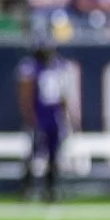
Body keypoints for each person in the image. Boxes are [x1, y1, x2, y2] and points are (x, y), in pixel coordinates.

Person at [17, 41, 72, 202]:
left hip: (54, 116)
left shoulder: (59, 66)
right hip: (39, 116)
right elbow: (26, 94)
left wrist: (65, 115)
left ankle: (51, 188)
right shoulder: (31, 67)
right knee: (33, 153)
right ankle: (27, 187)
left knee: (53, 155)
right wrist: (29, 115)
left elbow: (63, 95)